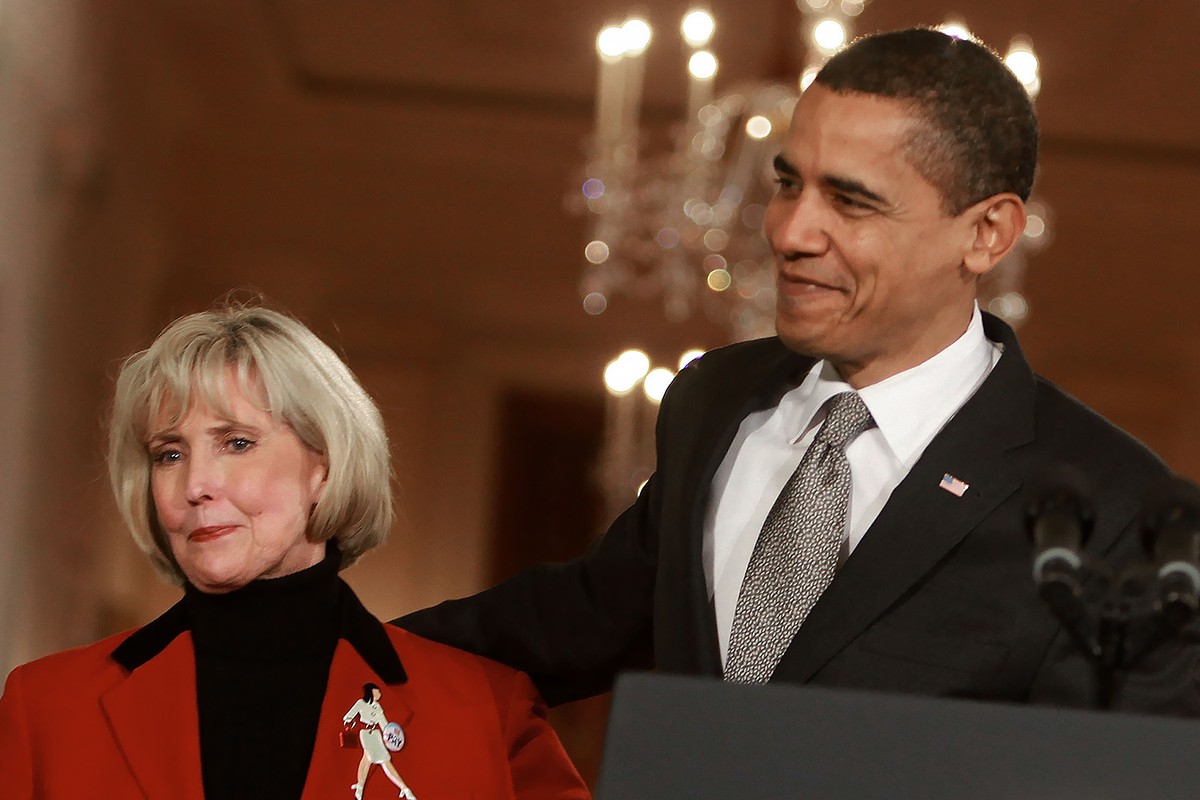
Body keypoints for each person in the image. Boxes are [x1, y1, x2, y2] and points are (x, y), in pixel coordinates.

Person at [399, 28, 1200, 714]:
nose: (788, 232)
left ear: (987, 234)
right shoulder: (713, 401)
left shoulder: (1116, 516)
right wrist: (319, 640)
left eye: (850, 202)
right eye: (788, 183)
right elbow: (576, 619)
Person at [0, 305, 590, 799]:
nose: (196, 483)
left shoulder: (486, 711)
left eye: (236, 442)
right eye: (169, 454)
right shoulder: (47, 708)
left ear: (324, 468)